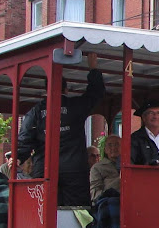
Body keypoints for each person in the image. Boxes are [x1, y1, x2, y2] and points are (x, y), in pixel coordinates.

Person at [16, 53, 105, 206]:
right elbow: (96, 93)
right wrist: (93, 68)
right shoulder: (75, 106)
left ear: (46, 89)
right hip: (74, 170)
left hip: (45, 169)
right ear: (66, 89)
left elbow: (25, 140)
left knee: (44, 210)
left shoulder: (35, 112)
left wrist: (17, 158)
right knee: (76, 212)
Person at [89, 135, 121, 202]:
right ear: (105, 149)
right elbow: (94, 194)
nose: (114, 148)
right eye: (110, 145)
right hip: (108, 204)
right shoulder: (97, 168)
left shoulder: (130, 165)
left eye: (117, 144)